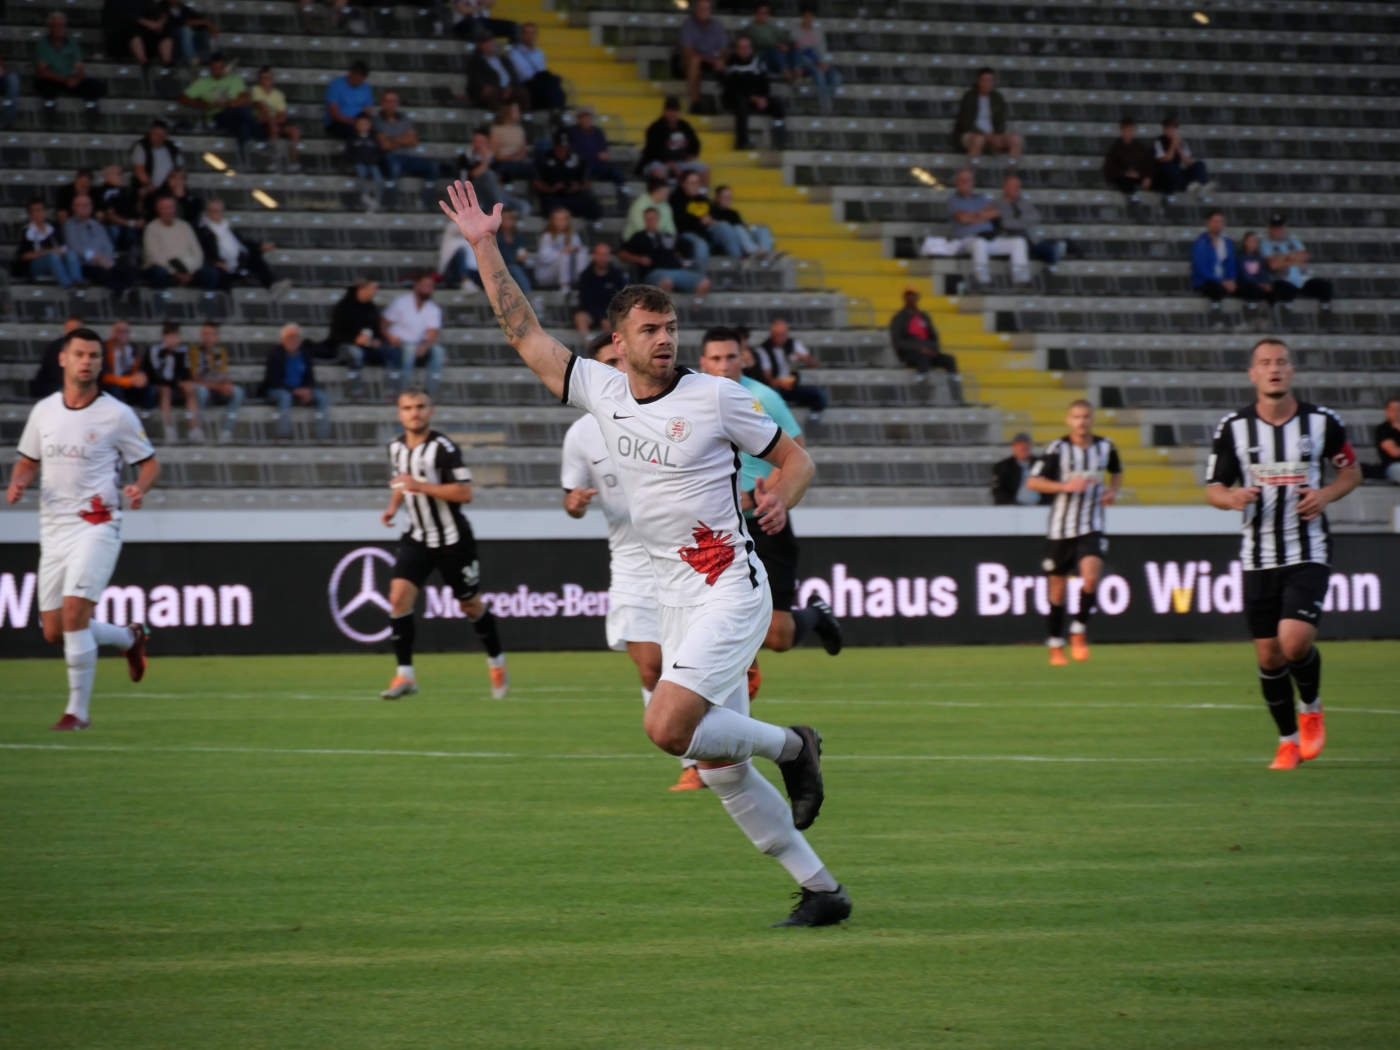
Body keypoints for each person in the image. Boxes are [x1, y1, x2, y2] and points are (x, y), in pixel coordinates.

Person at [441, 179, 850, 928]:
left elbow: (798, 460)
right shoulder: (600, 391)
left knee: (665, 728)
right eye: (650, 329)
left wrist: (781, 498)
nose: (665, 339)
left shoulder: (715, 397)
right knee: (721, 770)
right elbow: (524, 334)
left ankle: (796, 747)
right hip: (671, 596)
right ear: (619, 342)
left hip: (728, 585)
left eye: (670, 327)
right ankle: (822, 890)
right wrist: (485, 246)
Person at [1204, 339, 1361, 769]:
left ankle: (1310, 706)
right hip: (1258, 556)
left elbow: (1351, 472)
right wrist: (1232, 498)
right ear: (1252, 373)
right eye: (1265, 363)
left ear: (1291, 371)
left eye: (1281, 362)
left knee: (1294, 641)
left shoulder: (1322, 421)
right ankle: (1287, 741)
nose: (1274, 368)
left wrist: (1325, 494)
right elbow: (1213, 489)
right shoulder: (1233, 427)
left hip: (1307, 549)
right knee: (1269, 655)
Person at [7, 327, 158, 731]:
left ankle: (78, 713)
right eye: (79, 354)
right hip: (54, 529)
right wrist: (18, 481)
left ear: (100, 362)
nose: (86, 361)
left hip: (97, 523)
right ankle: (129, 637)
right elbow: (27, 460)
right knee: (54, 630)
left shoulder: (117, 414)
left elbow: (149, 463)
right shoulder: (44, 411)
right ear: (64, 359)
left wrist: (139, 488)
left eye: (93, 355)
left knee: (75, 611)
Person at [560, 334, 691, 788]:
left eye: (621, 360)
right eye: (606, 364)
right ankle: (691, 762)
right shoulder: (581, 435)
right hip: (631, 563)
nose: (616, 370)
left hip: (681, 556)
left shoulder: (667, 415)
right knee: (652, 666)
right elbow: (571, 500)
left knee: (687, 665)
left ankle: (714, 755)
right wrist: (575, 503)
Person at [697, 327, 843, 704]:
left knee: (778, 636)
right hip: (717, 527)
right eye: (716, 358)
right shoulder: (691, 399)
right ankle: (731, 686)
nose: (724, 365)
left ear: (744, 358)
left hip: (763, 519)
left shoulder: (763, 398)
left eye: (731, 357)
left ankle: (815, 614)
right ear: (703, 362)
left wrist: (767, 497)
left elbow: (797, 455)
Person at [380, 388, 509, 701]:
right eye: (408, 408)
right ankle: (405, 675)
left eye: (420, 406)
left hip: (452, 540)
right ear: (399, 413)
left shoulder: (443, 448)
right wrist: (393, 507)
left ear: (431, 411)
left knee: (470, 605)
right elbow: (401, 481)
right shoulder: (395, 447)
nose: (414, 413)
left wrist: (420, 486)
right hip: (417, 537)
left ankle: (496, 663)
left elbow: (464, 493)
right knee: (398, 598)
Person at [1026, 400, 1123, 666]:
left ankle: (1079, 629)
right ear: (1069, 420)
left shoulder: (1106, 447)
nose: (1082, 422)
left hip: (1092, 525)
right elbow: (1033, 482)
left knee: (1090, 578)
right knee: (1057, 591)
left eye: (1086, 417)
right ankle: (1055, 644)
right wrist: (1065, 487)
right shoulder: (1058, 449)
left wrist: (1112, 491)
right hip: (1060, 530)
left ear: (1092, 419)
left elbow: (1116, 472)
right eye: (1077, 417)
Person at [947, 167, 1029, 287]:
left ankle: (1020, 281)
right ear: (957, 183)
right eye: (962, 180)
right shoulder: (953, 200)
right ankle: (983, 282)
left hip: (989, 237)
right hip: (968, 240)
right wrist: (982, 215)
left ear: (972, 182)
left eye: (968, 180)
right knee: (979, 243)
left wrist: (973, 216)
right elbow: (963, 218)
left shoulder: (981, 198)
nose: (966, 183)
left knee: (1019, 242)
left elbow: (995, 213)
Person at [197, 198, 291, 296]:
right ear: (206, 211)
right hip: (221, 265)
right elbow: (201, 251)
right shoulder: (202, 230)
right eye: (211, 211)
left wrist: (260, 246)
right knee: (219, 275)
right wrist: (214, 262)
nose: (214, 213)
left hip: (238, 260)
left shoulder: (227, 226)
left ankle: (272, 285)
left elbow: (243, 242)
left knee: (254, 256)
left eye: (217, 211)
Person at [178, 52, 258, 165]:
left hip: (234, 113)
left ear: (224, 67)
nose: (218, 71)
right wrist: (205, 104)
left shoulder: (235, 80)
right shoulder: (202, 83)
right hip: (217, 117)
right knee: (243, 113)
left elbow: (245, 98)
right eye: (215, 69)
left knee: (243, 126)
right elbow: (183, 99)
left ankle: (243, 159)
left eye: (220, 68)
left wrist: (230, 103)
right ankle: (259, 136)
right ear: (210, 69)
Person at [618, 206, 711, 296]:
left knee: (704, 282)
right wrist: (639, 259)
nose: (651, 221)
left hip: (677, 270)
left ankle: (696, 305)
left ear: (658, 219)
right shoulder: (639, 236)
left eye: (653, 218)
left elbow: (682, 250)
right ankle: (666, 306)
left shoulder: (667, 235)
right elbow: (622, 253)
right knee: (666, 282)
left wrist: (680, 259)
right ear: (644, 220)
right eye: (648, 219)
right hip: (655, 272)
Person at [1261, 214, 1335, 328]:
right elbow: (1273, 265)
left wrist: (1283, 259)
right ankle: (1286, 319)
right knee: (1283, 288)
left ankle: (1325, 317)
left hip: (1303, 279)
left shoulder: (1294, 241)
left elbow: (1304, 256)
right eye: (1275, 228)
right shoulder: (1266, 244)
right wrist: (1291, 258)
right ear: (1270, 229)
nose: (1278, 230)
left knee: (1325, 286)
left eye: (1280, 227)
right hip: (1284, 279)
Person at [888, 288, 961, 400]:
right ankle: (923, 397)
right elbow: (898, 342)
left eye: (913, 294)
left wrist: (933, 350)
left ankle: (957, 397)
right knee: (922, 359)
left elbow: (934, 338)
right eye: (908, 295)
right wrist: (919, 349)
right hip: (909, 355)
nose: (911, 297)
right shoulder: (899, 318)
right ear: (904, 297)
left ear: (918, 297)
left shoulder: (924, 316)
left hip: (928, 352)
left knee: (950, 360)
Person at [261, 323, 330, 440]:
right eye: (290, 337)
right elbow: (273, 381)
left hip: (300, 389)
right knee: (285, 397)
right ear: (283, 339)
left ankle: (322, 436)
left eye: (296, 337)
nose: (293, 340)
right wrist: (294, 391)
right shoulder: (275, 355)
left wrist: (308, 390)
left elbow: (310, 378)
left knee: (322, 397)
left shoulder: (305, 355)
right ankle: (283, 435)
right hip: (278, 390)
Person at [34, 13, 106, 122]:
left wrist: (76, 78)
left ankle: (91, 108)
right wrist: (63, 80)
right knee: (44, 86)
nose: (58, 28)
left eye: (61, 25)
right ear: (50, 27)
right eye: (55, 25)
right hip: (53, 79)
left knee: (96, 86)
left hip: (71, 79)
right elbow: (42, 71)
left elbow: (79, 68)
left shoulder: (72, 43)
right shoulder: (42, 44)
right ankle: (49, 108)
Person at [374, 91, 440, 209]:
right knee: (394, 167)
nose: (391, 104)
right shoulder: (377, 120)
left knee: (433, 166)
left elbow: (413, 141)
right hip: (388, 157)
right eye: (388, 101)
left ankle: (424, 203)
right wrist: (403, 139)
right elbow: (385, 145)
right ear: (382, 103)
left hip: (407, 157)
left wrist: (392, 139)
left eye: (394, 101)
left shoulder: (404, 118)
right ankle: (391, 203)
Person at [328, 278, 396, 392]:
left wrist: (376, 340)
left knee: (390, 351)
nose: (375, 292)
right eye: (372, 288)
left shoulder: (371, 308)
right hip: (345, 346)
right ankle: (355, 391)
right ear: (362, 289)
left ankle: (390, 390)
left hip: (368, 347)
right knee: (355, 353)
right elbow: (335, 335)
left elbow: (376, 330)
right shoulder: (343, 307)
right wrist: (355, 340)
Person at [383, 274, 446, 396]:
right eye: (425, 285)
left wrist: (425, 346)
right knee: (409, 349)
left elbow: (432, 333)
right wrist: (390, 337)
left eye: (431, 286)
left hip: (419, 344)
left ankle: (429, 393)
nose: (428, 289)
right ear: (417, 286)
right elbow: (383, 324)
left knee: (438, 351)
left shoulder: (433, 309)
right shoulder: (401, 302)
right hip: (398, 342)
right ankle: (404, 392)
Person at [63, 193, 137, 295]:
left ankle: (128, 292)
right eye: (81, 205)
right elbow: (74, 247)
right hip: (85, 264)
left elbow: (108, 245)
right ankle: (124, 293)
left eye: (87, 205)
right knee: (106, 274)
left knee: (127, 268)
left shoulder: (96, 224)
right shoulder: (70, 225)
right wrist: (95, 257)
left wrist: (106, 259)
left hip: (104, 261)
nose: (84, 208)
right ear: (74, 207)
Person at [756, 318, 828, 422]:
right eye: (778, 334)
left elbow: (814, 364)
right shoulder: (763, 350)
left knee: (820, 393)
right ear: (772, 334)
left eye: (783, 334)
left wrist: (804, 358)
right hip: (775, 387)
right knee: (773, 395)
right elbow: (767, 377)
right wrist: (780, 383)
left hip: (792, 385)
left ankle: (814, 416)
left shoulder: (793, 344)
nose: (781, 338)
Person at [723, 35, 785, 152]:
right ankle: (742, 142)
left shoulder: (759, 63)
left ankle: (779, 137)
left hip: (758, 99)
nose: (744, 50)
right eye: (741, 47)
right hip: (737, 100)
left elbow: (765, 84)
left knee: (778, 103)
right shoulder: (731, 65)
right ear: (736, 49)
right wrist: (754, 98)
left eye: (747, 47)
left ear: (751, 49)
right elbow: (734, 88)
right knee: (741, 103)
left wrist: (763, 98)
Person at [142, 193, 216, 289]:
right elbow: (155, 257)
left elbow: (198, 253)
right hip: (165, 270)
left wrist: (189, 272)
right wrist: (175, 273)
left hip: (189, 269)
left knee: (210, 273)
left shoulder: (185, 226)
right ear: (158, 210)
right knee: (158, 272)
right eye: (164, 208)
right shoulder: (151, 228)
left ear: (175, 208)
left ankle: (207, 299)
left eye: (170, 207)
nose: (168, 211)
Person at [188, 321, 244, 443]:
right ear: (201, 336)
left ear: (217, 337)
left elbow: (223, 374)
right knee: (200, 391)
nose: (208, 337)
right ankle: (197, 429)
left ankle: (226, 431)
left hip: (217, 389)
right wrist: (219, 387)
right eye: (205, 334)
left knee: (237, 392)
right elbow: (195, 378)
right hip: (205, 388)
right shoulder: (194, 352)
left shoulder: (221, 352)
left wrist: (227, 384)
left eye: (211, 334)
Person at [146, 321, 202, 442]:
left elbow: (185, 372)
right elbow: (155, 373)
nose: (172, 340)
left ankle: (194, 428)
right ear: (163, 337)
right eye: (169, 337)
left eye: (175, 337)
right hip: (159, 384)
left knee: (190, 389)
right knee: (166, 390)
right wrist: (175, 382)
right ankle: (169, 428)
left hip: (176, 384)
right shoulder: (155, 350)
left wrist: (183, 382)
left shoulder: (183, 351)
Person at [951, 67, 1021, 162]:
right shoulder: (969, 97)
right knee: (979, 139)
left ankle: (1011, 169)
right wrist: (987, 136)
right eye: (984, 80)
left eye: (990, 81)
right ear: (978, 81)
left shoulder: (997, 98)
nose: (987, 83)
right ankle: (971, 169)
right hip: (972, 134)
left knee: (1015, 139)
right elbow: (966, 123)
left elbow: (1001, 121)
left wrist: (996, 136)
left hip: (993, 135)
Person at [456, 127, 530, 217]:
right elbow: (469, 178)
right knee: (488, 175)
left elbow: (504, 181)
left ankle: (503, 213)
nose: (478, 145)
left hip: (497, 193)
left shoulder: (495, 159)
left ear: (487, 143)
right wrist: (485, 161)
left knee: (525, 206)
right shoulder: (465, 158)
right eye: (476, 141)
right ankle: (502, 210)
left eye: (482, 142)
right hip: (476, 193)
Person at [996, 174, 1063, 268]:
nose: (1016, 189)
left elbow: (1036, 217)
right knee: (1050, 250)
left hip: (1031, 241)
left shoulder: (1023, 202)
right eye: (1013, 186)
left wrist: (1018, 220)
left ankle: (1050, 267)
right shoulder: (998, 204)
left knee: (1056, 244)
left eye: (1018, 186)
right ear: (1005, 187)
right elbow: (1006, 223)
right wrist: (1025, 221)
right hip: (1012, 242)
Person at [672, 169, 740, 261]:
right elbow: (679, 221)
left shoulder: (703, 199)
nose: (695, 186)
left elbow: (715, 214)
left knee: (724, 226)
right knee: (701, 244)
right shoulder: (676, 200)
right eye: (692, 183)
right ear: (683, 184)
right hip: (687, 233)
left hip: (706, 231)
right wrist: (699, 220)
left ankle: (737, 261)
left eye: (697, 183)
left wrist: (711, 219)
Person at [533, 131, 601, 221]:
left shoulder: (577, 158)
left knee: (592, 205)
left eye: (565, 147)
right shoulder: (543, 159)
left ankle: (592, 226)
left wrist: (579, 187)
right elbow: (536, 182)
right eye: (559, 147)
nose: (562, 150)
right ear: (554, 146)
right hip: (553, 196)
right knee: (550, 207)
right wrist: (550, 189)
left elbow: (587, 181)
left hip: (574, 196)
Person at [16, 199, 83, 289]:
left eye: (40, 210)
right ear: (30, 215)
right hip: (37, 265)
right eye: (35, 211)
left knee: (71, 254)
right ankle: (68, 285)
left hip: (57, 262)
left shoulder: (53, 228)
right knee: (52, 256)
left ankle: (77, 281)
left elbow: (63, 247)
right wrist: (46, 252)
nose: (38, 213)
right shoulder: (26, 231)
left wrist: (59, 251)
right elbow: (23, 255)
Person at [637, 96, 706, 183]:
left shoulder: (685, 126)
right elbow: (652, 151)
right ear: (664, 111)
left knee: (703, 168)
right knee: (659, 170)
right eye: (670, 111)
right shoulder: (655, 128)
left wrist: (692, 155)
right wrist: (669, 163)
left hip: (681, 161)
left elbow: (695, 144)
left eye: (676, 111)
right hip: (659, 162)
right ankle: (661, 191)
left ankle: (702, 191)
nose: (673, 114)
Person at [1190, 209, 1238, 330]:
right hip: (1205, 281)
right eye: (1215, 221)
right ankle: (1217, 320)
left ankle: (1249, 320)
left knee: (1249, 288)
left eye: (1220, 222)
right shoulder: (1201, 243)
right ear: (1208, 223)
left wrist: (1231, 279)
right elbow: (1202, 268)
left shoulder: (1227, 243)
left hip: (1224, 280)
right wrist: (1221, 281)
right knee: (1215, 288)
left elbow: (1231, 263)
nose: (1217, 224)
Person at [677, 0, 728, 113]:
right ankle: (695, 102)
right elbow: (687, 51)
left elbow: (723, 50)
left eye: (706, 9)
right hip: (693, 61)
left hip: (712, 60)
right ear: (695, 10)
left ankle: (723, 103)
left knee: (722, 63)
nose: (703, 12)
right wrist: (707, 59)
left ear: (710, 10)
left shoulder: (717, 26)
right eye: (701, 9)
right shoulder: (688, 25)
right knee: (695, 61)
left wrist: (720, 59)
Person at [573, 243, 628, 346]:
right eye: (600, 254)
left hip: (610, 313)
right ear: (594, 256)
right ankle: (589, 346)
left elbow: (621, 299)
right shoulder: (586, 275)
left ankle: (610, 348)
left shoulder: (617, 275)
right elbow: (584, 300)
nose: (602, 258)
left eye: (605, 254)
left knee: (612, 323)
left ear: (609, 256)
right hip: (591, 312)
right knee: (580, 317)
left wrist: (606, 316)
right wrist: (600, 316)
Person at [1102, 115, 1155, 221]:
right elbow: (1110, 168)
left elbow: (1148, 163)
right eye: (1126, 130)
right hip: (1122, 178)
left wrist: (1147, 176)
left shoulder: (1139, 147)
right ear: (1122, 131)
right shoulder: (1115, 148)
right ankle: (1135, 203)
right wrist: (1125, 173)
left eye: (1130, 130)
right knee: (1127, 183)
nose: (1128, 133)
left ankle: (1162, 206)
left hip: (1138, 176)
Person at [565, 108, 626, 199]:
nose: (586, 120)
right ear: (579, 119)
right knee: (584, 172)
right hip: (582, 165)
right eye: (584, 117)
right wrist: (596, 154)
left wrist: (601, 154)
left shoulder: (598, 131)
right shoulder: (572, 132)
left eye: (588, 117)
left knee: (618, 174)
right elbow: (576, 151)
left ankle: (623, 198)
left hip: (599, 165)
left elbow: (604, 151)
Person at [250, 66, 302, 172]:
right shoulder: (255, 90)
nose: (266, 80)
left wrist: (274, 121)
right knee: (273, 127)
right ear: (259, 80)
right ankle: (273, 161)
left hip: (275, 122)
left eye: (268, 77)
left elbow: (282, 115)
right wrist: (272, 121)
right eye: (264, 77)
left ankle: (293, 162)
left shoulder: (278, 94)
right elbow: (261, 108)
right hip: (260, 124)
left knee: (294, 131)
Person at [505, 22, 565, 111]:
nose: (530, 36)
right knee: (549, 86)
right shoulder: (514, 53)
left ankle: (557, 111)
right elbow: (521, 73)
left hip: (539, 81)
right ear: (522, 35)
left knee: (555, 84)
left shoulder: (540, 53)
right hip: (525, 83)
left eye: (532, 33)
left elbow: (542, 70)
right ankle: (555, 110)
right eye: (527, 33)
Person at [790, 6, 840, 113]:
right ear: (802, 17)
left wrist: (823, 62)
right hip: (805, 61)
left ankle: (826, 99)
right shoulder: (795, 31)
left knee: (836, 77)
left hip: (818, 60)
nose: (808, 19)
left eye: (810, 17)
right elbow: (795, 51)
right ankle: (825, 108)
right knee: (819, 74)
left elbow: (823, 50)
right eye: (806, 17)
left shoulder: (818, 31)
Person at [1153, 116, 1212, 201]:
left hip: (1178, 173)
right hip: (1165, 175)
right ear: (1164, 130)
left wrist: (1179, 149)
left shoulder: (1182, 142)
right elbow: (1165, 159)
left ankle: (1198, 186)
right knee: (1167, 166)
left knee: (1200, 164)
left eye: (1173, 129)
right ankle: (1194, 188)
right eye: (1169, 129)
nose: (1171, 131)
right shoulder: (1158, 142)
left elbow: (1188, 162)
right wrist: (1173, 145)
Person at [710, 184, 775, 258]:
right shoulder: (712, 211)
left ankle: (766, 253)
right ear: (717, 198)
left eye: (730, 197)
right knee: (738, 228)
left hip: (743, 236)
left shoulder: (733, 213)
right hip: (732, 239)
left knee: (762, 228)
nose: (728, 200)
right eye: (725, 197)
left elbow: (744, 225)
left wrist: (752, 228)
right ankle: (754, 251)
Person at [534, 207, 588, 291]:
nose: (560, 222)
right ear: (552, 221)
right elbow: (544, 258)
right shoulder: (547, 236)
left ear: (567, 221)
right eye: (557, 219)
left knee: (582, 252)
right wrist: (562, 252)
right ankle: (564, 288)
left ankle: (582, 282)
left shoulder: (574, 236)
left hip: (570, 272)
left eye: (563, 219)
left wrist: (576, 249)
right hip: (547, 273)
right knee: (565, 256)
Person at [102, 320, 152, 410]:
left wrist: (140, 377)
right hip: (111, 383)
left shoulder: (133, 348)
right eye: (119, 331)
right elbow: (104, 376)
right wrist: (126, 381)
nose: (123, 334)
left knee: (148, 387)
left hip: (129, 382)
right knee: (115, 389)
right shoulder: (104, 349)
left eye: (126, 331)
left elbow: (138, 368)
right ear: (113, 333)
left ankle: (145, 413)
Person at [130, 121, 182, 205]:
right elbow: (139, 170)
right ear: (150, 133)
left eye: (162, 135)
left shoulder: (171, 147)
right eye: (156, 134)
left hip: (168, 187)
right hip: (148, 188)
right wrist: (149, 185)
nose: (159, 138)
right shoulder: (141, 147)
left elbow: (180, 167)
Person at [96, 163, 144, 253]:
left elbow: (137, 209)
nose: (122, 177)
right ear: (108, 177)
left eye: (122, 173)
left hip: (132, 224)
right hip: (118, 227)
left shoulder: (126, 190)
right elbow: (110, 216)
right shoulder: (105, 191)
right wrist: (131, 223)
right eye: (119, 174)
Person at [467, 33, 522, 109]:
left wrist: (510, 87)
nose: (489, 45)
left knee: (522, 93)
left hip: (509, 88)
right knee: (491, 93)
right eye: (486, 43)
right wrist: (498, 88)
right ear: (480, 46)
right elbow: (476, 79)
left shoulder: (504, 60)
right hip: (493, 89)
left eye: (491, 42)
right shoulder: (476, 61)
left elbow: (513, 75)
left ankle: (523, 115)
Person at [1235, 231, 1277, 331]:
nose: (1253, 244)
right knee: (1252, 289)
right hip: (1244, 284)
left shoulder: (1259, 258)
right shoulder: (1240, 257)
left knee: (1273, 291)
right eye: (1251, 241)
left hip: (1258, 285)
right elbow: (1244, 275)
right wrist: (1260, 284)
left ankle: (1266, 319)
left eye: (1255, 241)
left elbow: (1263, 273)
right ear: (1245, 242)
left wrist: (1266, 284)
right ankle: (1250, 320)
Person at [991, 432, 1045, 506]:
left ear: (1031, 446)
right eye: (1019, 445)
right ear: (1013, 447)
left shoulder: (1042, 464)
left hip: (1040, 508)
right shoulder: (1002, 467)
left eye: (1026, 445)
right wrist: (1012, 504)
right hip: (1013, 508)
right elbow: (998, 490)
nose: (1023, 448)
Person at [324, 60, 374, 140]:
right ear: (351, 73)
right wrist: (353, 122)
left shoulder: (366, 88)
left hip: (360, 123)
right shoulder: (336, 85)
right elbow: (333, 113)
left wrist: (362, 123)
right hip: (338, 123)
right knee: (353, 132)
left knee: (375, 132)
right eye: (356, 76)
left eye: (361, 78)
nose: (358, 80)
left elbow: (367, 110)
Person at [345, 113, 385, 211]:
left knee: (379, 179)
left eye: (365, 124)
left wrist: (375, 159)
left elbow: (380, 152)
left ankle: (377, 199)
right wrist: (355, 160)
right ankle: (365, 195)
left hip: (372, 163)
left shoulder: (374, 139)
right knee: (361, 175)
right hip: (359, 163)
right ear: (356, 125)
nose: (363, 126)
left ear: (370, 125)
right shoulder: (352, 139)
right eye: (360, 124)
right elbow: (348, 153)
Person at [163, 0, 218, 66]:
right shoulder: (163, 8)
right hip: (171, 34)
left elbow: (197, 18)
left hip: (187, 33)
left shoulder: (183, 8)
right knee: (186, 30)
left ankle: (207, 58)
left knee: (203, 32)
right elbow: (181, 22)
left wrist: (208, 24)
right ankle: (192, 59)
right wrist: (205, 23)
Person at [487, 102, 534, 181]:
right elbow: (494, 154)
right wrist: (511, 157)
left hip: (519, 161)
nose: (519, 113)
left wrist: (518, 157)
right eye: (516, 111)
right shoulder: (496, 130)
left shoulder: (520, 129)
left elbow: (524, 150)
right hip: (502, 162)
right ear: (507, 112)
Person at [624, 175, 677, 242]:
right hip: (637, 239)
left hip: (659, 239)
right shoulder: (640, 204)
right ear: (656, 191)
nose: (668, 195)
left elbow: (670, 226)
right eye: (665, 193)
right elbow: (640, 227)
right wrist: (658, 236)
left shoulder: (666, 205)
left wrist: (672, 237)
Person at [495, 207, 533, 291]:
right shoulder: (495, 237)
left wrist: (523, 256)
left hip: (518, 266)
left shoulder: (518, 236)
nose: (507, 221)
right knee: (514, 269)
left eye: (510, 218)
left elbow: (522, 251)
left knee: (525, 267)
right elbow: (499, 258)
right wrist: (515, 258)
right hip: (500, 268)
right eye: (504, 218)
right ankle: (529, 294)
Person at [439, 219, 481, 293]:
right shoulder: (452, 226)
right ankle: (465, 280)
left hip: (473, 274)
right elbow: (460, 228)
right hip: (452, 273)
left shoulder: (476, 239)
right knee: (461, 252)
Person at [1375, 396, 1400, 485]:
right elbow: (1394, 452)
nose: (1397, 413)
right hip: (1393, 466)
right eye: (1393, 410)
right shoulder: (1383, 429)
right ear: (1387, 412)